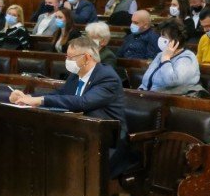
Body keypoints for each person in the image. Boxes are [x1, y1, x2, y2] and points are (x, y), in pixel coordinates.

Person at [8, 37, 132, 177]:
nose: (67, 60)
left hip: (106, 139)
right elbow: (58, 94)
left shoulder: (107, 77)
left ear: (87, 57)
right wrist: (27, 98)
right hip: (78, 132)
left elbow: (84, 102)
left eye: (71, 57)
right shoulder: (75, 75)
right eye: (67, 56)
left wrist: (39, 100)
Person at [139, 21, 202, 95]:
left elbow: (172, 81)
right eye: (160, 35)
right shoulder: (160, 55)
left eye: (164, 36)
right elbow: (146, 80)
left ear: (175, 41)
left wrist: (166, 59)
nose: (160, 39)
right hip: (150, 96)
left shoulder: (187, 58)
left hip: (170, 99)